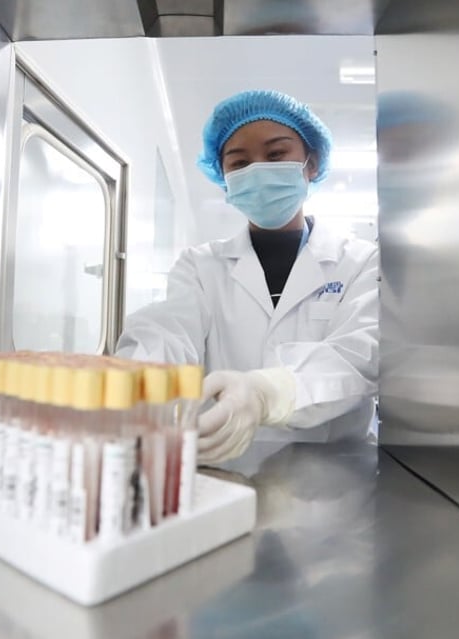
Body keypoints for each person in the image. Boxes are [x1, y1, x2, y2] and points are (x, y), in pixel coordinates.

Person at [116, 90, 379, 463]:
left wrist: (268, 392)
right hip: (224, 465)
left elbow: (361, 355)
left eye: (276, 155)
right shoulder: (200, 265)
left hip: (334, 472)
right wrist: (137, 379)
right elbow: (168, 328)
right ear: (224, 180)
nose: (257, 171)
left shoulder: (361, 262)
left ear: (312, 163)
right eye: (238, 163)